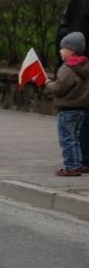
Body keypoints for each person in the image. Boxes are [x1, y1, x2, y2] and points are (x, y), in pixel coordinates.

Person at [55, 0, 89, 170]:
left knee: (80, 114)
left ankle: (80, 159)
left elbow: (77, 33)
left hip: (79, 64)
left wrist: (70, 57)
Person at [45, 32, 89, 176]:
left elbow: (58, 89)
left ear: (70, 50)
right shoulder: (85, 66)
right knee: (75, 138)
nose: (59, 51)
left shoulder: (67, 69)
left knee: (66, 139)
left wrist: (47, 83)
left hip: (67, 110)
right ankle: (78, 164)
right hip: (81, 109)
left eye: (62, 48)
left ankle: (71, 167)